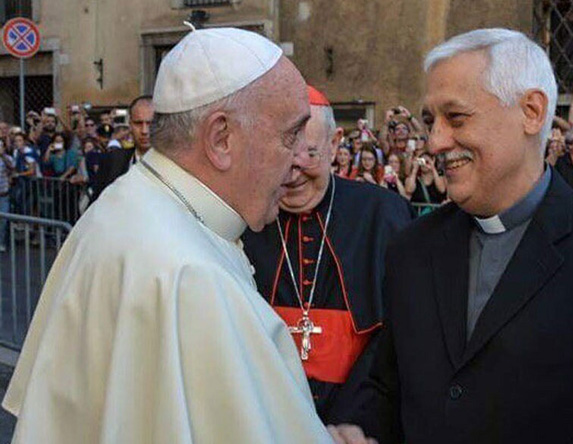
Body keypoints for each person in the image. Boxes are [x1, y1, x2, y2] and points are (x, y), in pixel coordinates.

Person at [3, 28, 336, 444]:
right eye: (290, 136)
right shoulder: (192, 275)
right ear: (221, 138)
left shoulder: (123, 202)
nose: (296, 163)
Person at [334, 28, 573, 444]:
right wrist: (359, 429)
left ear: (531, 111)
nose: (435, 141)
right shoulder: (411, 249)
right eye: (429, 121)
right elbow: (388, 386)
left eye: (456, 118)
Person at [242, 85, 413, 424]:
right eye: (281, 156)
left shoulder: (382, 213)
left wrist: (353, 420)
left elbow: (397, 339)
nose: (292, 173)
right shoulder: (245, 217)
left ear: (334, 144)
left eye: (308, 154)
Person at [91, 95, 154, 203]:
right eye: (138, 123)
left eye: (150, 123)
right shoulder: (111, 161)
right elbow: (95, 208)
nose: (144, 131)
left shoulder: (176, 166)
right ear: (130, 125)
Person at [0, 138, 14, 252]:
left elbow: (12, 168)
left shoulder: (7, 158)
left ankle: (2, 242)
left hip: (4, 194)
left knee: (4, 220)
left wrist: (3, 156)